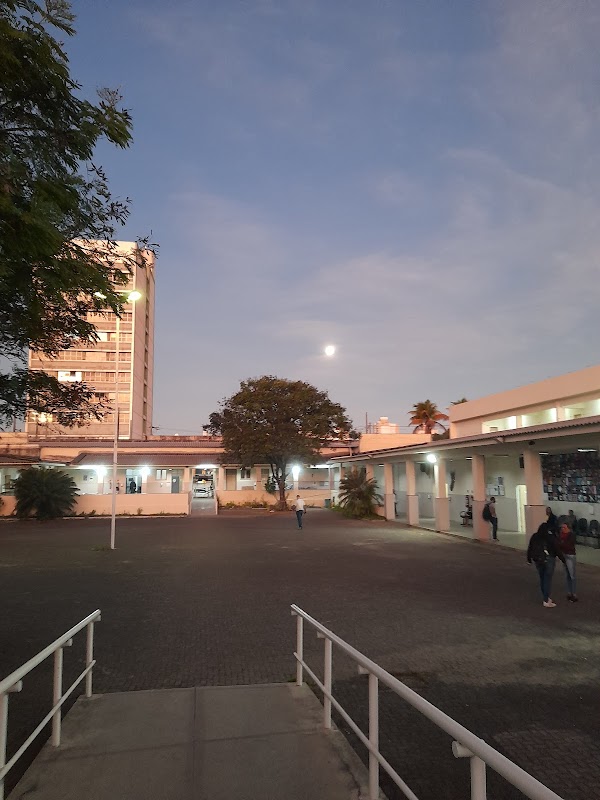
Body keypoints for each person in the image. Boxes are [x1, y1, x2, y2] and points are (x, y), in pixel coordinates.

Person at [527, 522, 566, 607]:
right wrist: (563, 559)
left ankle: (545, 597)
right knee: (547, 580)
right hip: (549, 560)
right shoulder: (550, 537)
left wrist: (529, 559)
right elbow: (557, 549)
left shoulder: (535, 536)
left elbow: (530, 547)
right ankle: (546, 600)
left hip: (538, 560)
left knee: (542, 578)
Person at [558, 521, 578, 602]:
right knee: (567, 575)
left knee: (572, 575)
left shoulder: (571, 535)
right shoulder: (561, 535)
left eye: (564, 528)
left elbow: (568, 545)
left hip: (570, 555)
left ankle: (574, 593)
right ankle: (569, 592)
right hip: (564, 555)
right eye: (562, 527)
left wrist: (561, 544)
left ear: (568, 528)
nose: (562, 529)